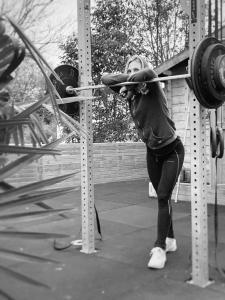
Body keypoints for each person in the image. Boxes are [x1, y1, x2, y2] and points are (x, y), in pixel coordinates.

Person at [101, 55, 185, 269]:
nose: (133, 74)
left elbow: (147, 74)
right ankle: (171, 240)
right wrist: (128, 85)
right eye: (130, 69)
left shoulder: (153, 86)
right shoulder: (131, 95)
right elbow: (105, 78)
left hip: (172, 151)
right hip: (152, 152)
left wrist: (131, 79)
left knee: (163, 195)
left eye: (135, 69)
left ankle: (159, 248)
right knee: (161, 198)